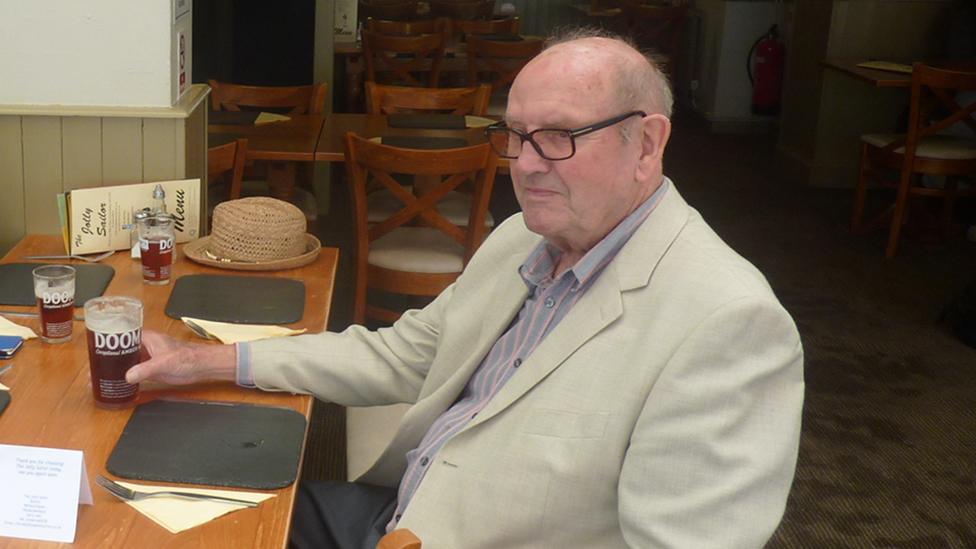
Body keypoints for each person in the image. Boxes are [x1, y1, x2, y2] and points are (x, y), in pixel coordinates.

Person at [128, 29, 804, 549]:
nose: (528, 165)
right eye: (515, 137)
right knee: (164, 506)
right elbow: (401, 355)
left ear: (647, 144)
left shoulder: (727, 322)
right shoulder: (523, 238)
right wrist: (207, 361)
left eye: (559, 137)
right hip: (397, 512)